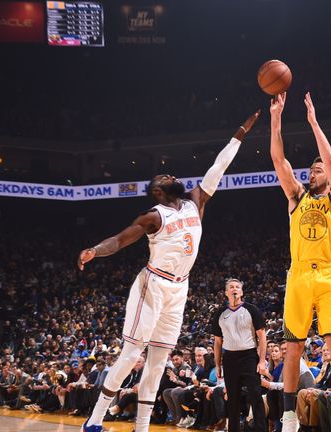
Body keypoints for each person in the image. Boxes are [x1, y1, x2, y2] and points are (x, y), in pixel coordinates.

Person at [79, 110, 260, 432]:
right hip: (152, 285)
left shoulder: (195, 201)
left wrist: (241, 132)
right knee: (132, 351)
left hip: (179, 288)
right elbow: (120, 239)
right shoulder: (154, 215)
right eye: (163, 177)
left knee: (159, 360)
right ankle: (94, 421)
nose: (170, 175)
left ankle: (142, 427)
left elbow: (219, 166)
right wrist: (96, 250)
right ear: (158, 192)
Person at [269, 91, 331, 432]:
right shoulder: (296, 197)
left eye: (317, 169)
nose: (313, 172)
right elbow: (279, 160)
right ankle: (289, 414)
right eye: (312, 169)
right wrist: (276, 118)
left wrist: (314, 123)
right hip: (299, 276)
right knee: (293, 346)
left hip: (329, 275)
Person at [211, 278, 268, 432]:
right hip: (229, 358)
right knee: (232, 399)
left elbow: (262, 336)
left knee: (255, 396)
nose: (234, 289)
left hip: (249, 356)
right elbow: (217, 342)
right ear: (226, 292)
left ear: (241, 292)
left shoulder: (252, 309)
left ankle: (261, 429)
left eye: (237, 287)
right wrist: (217, 365)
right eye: (231, 287)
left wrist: (262, 361)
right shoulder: (219, 314)